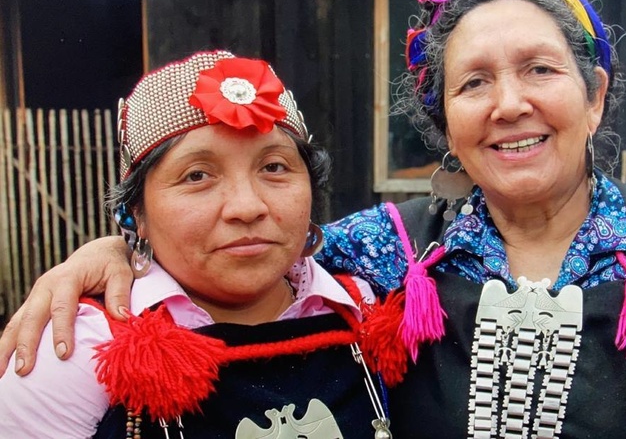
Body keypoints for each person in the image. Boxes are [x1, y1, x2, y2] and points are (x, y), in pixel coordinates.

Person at [3, 0, 626, 437]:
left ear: (595, 92)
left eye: (540, 69)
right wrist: (113, 255)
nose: (510, 104)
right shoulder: (385, 254)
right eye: (473, 83)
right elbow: (247, 254)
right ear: (444, 122)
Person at [0, 50, 394, 438]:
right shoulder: (77, 350)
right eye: (197, 175)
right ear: (136, 212)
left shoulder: (367, 310)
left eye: (274, 167)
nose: (247, 206)